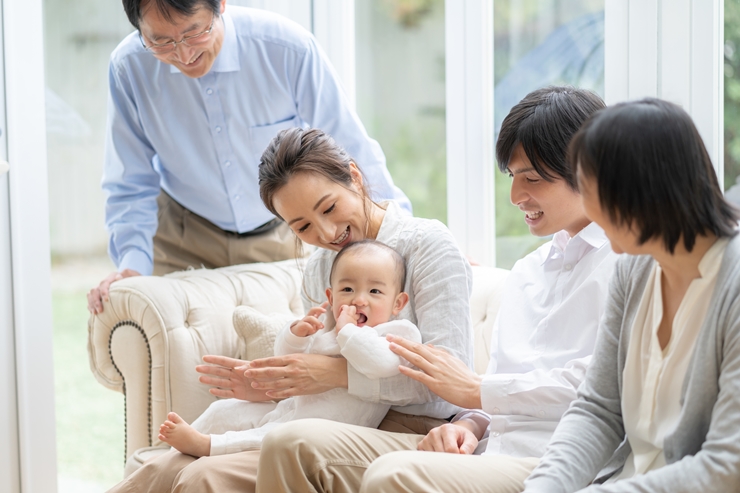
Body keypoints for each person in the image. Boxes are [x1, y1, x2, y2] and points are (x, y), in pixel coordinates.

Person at [255, 86, 619, 493]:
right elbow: (496, 395)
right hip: (490, 450)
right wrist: (468, 424)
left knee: (389, 474)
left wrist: (476, 393)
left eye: (531, 178)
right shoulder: (528, 271)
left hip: (564, 460)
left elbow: (605, 387)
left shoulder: (628, 265)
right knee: (278, 446)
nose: (516, 197)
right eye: (514, 178)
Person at [105, 127, 473, 493]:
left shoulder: (427, 245)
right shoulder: (319, 268)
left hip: (408, 428)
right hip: (324, 418)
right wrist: (271, 385)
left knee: (201, 475)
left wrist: (335, 374)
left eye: (329, 207)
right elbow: (318, 364)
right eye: (303, 227)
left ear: (355, 177)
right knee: (170, 464)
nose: (327, 233)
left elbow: (449, 384)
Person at [87, 0, 410, 314]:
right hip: (181, 235)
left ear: (220, 5)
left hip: (277, 235)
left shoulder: (287, 47)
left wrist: (405, 237)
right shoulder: (129, 66)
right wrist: (132, 265)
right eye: (161, 41)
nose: (184, 54)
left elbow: (350, 148)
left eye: (194, 32)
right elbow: (130, 180)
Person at [521, 99, 740, 492]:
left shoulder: (733, 285)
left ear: (644, 192)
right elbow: (597, 410)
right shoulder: (633, 271)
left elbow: (728, 466)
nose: (587, 210)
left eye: (591, 191)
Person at [156, 240, 420, 457]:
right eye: (348, 288)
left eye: (374, 291)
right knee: (224, 410)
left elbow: (380, 364)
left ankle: (209, 445)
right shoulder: (328, 326)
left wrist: (347, 330)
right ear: (331, 296)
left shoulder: (396, 333)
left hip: (326, 430)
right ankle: (169, 455)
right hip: (288, 409)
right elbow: (287, 359)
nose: (359, 299)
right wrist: (296, 334)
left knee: (272, 437)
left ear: (398, 303)